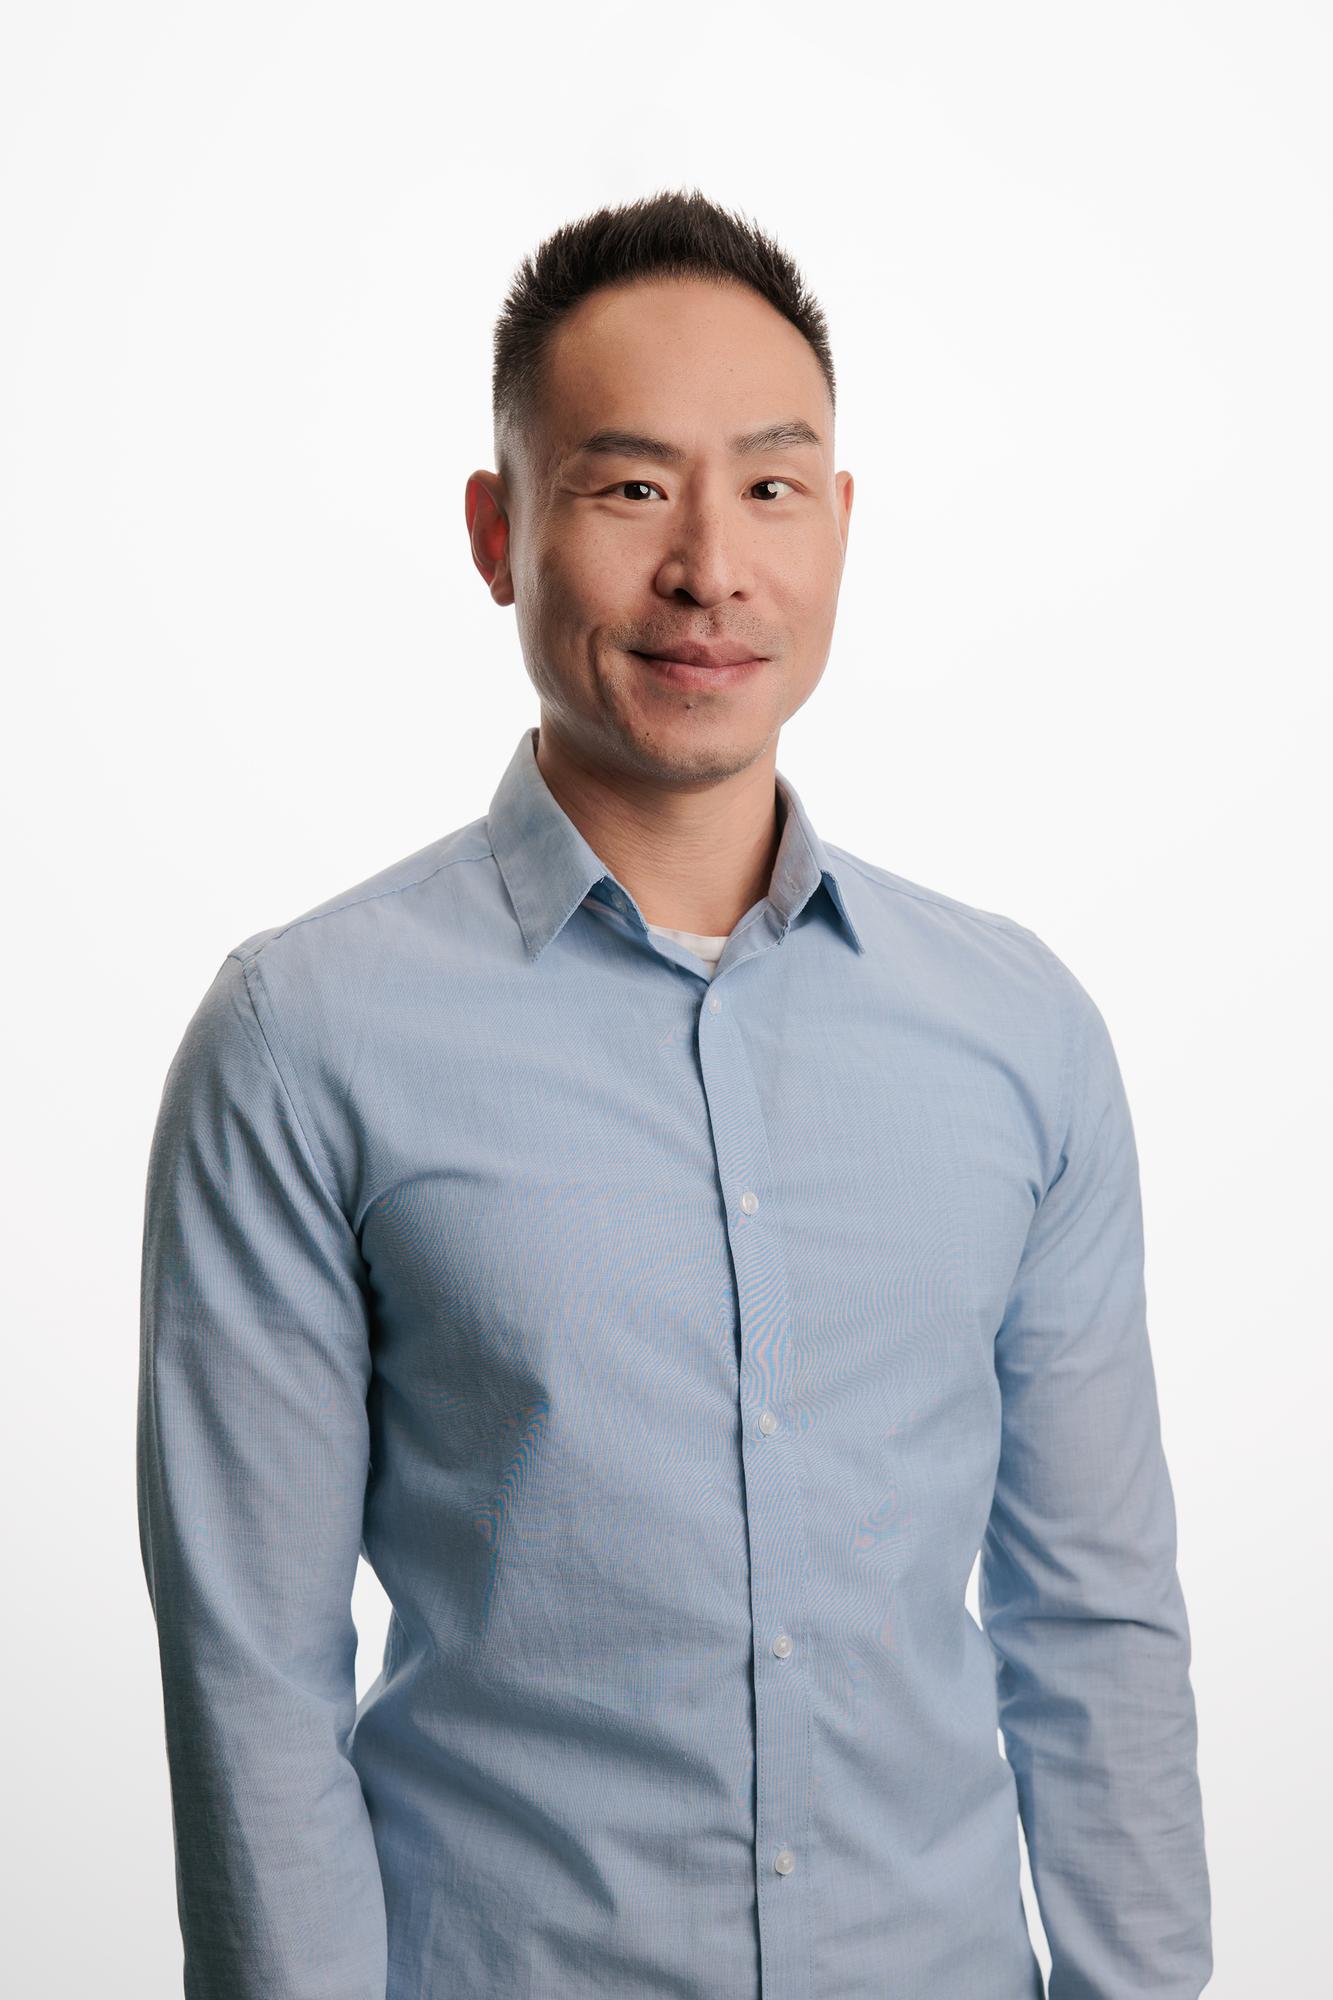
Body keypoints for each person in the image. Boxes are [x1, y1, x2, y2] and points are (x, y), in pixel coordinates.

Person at [136, 187, 1212, 1999]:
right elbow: (254, 1679)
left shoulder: (1018, 1034)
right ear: (499, 529)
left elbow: (1091, 1624)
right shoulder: (301, 1037)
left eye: (771, 487)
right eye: (628, 486)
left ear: (840, 528)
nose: (710, 566)